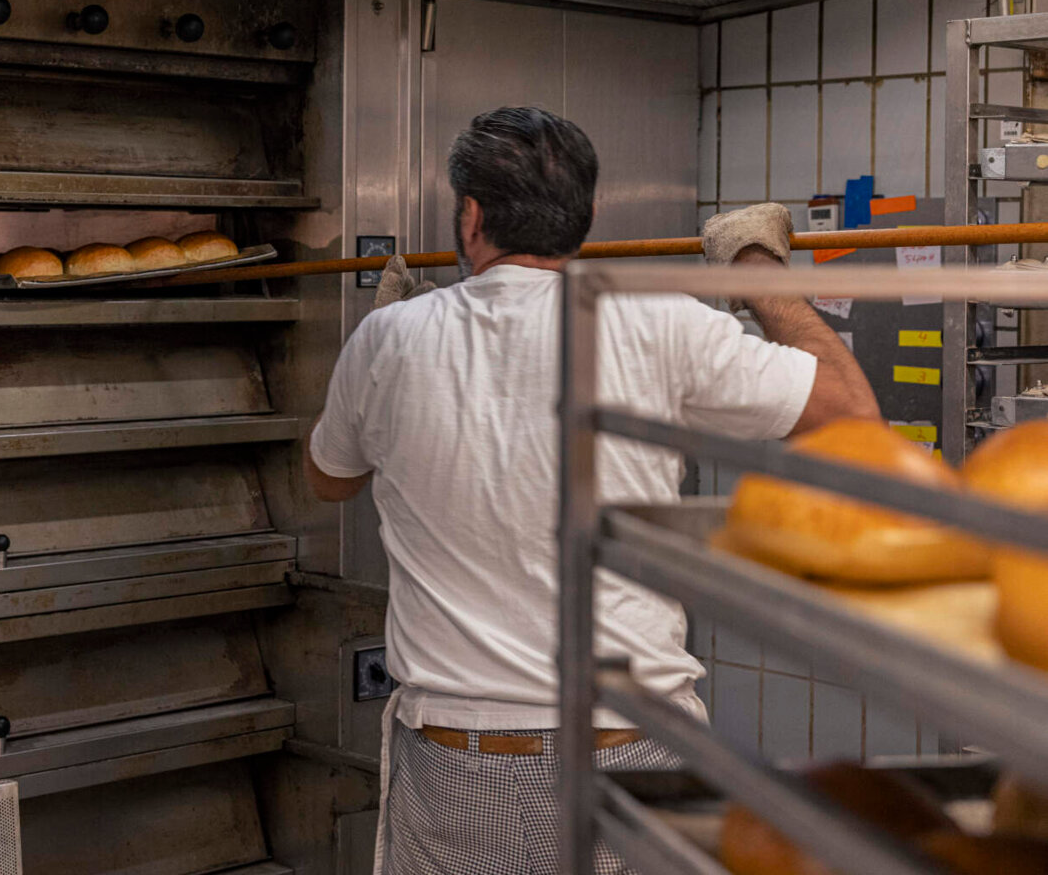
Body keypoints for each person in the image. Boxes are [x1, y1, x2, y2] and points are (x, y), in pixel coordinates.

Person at [306, 106, 879, 875]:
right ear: (588, 217)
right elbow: (850, 411)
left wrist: (376, 360)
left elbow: (328, 480)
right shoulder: (658, 322)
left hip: (460, 767)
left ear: (470, 217)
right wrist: (753, 268)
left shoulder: (388, 341)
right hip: (630, 750)